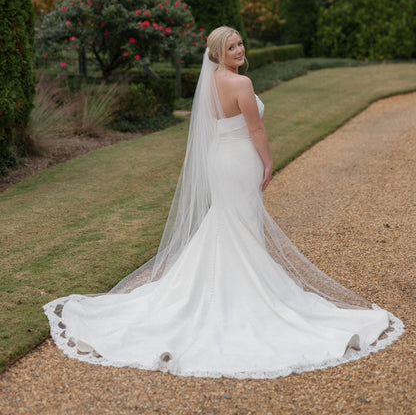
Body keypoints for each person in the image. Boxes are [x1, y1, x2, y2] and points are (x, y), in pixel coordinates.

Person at [44, 25, 403, 378]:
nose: (240, 51)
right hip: (239, 160)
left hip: (220, 158)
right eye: (232, 47)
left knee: (229, 220)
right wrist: (268, 161)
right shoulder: (240, 83)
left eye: (240, 44)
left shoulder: (211, 82)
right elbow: (255, 129)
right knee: (240, 221)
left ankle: (214, 289)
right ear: (217, 53)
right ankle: (242, 295)